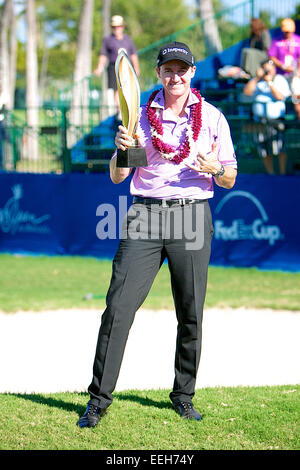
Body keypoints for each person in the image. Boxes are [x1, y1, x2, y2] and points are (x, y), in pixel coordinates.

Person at [78, 41, 237, 428]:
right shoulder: (138, 117)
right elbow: (118, 176)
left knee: (190, 312)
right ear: (159, 74)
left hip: (193, 216)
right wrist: (120, 150)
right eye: (169, 69)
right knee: (118, 309)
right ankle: (97, 401)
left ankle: (183, 396)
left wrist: (216, 167)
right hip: (144, 215)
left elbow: (230, 178)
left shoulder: (213, 117)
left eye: (182, 69)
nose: (175, 76)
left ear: (193, 73)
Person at [243, 59, 291, 175]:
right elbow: (247, 92)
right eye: (265, 69)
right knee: (264, 150)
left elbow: (280, 96)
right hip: (260, 121)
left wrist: (270, 83)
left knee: (279, 148)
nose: (267, 71)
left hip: (276, 120)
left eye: (270, 68)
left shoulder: (280, 80)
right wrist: (256, 78)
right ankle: (271, 174)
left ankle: (282, 173)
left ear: (274, 69)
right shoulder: (257, 81)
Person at [94, 15, 140, 113]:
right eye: (114, 27)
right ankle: (120, 111)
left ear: (122, 27)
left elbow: (133, 54)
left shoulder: (128, 39)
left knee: (128, 88)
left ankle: (129, 108)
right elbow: (103, 54)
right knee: (117, 90)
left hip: (127, 67)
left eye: (118, 26)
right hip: (113, 67)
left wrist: (136, 67)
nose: (116, 29)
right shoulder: (108, 40)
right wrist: (99, 67)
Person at [268, 18, 300, 119]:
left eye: (289, 31)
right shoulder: (276, 41)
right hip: (281, 74)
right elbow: (272, 56)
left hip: (294, 74)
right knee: (278, 96)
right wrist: (283, 66)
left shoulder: (298, 40)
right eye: (286, 31)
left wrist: (297, 70)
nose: (287, 33)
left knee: (297, 95)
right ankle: (280, 122)